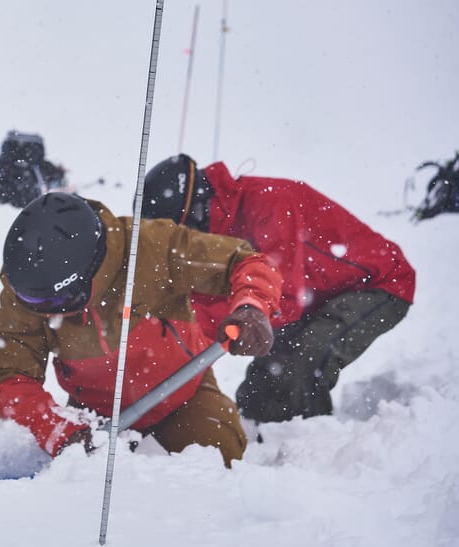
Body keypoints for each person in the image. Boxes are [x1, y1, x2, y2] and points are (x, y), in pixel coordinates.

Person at [0, 192, 282, 467]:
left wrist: (252, 305)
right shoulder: (30, 292)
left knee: (217, 462)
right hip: (94, 415)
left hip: (183, 392)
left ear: (87, 274)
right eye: (31, 301)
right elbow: (11, 378)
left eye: (54, 301)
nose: (41, 310)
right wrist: (58, 430)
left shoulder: (150, 248)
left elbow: (243, 262)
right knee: (80, 494)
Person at [142, 154, 415, 423]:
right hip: (320, 294)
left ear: (194, 214)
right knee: (264, 382)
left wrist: (192, 323)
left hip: (380, 284)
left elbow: (284, 299)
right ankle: (257, 442)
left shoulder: (268, 203)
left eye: (180, 233)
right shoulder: (220, 229)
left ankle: (313, 450)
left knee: (306, 358)